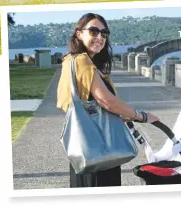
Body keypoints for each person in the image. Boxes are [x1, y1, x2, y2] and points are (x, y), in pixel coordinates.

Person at [56, 13, 159, 188]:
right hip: (99, 148)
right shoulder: (81, 60)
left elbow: (68, 102)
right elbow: (107, 101)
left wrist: (120, 114)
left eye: (104, 33)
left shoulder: (69, 61)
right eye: (94, 31)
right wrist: (140, 116)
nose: (100, 37)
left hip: (86, 148)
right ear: (79, 34)